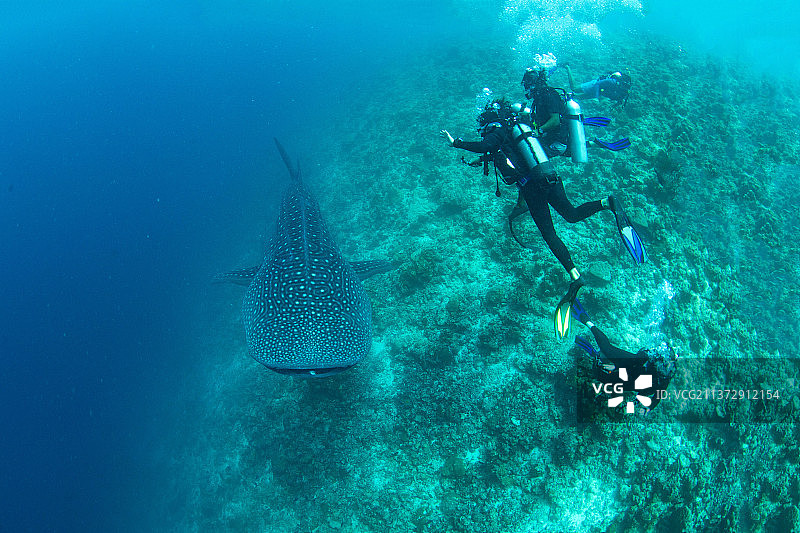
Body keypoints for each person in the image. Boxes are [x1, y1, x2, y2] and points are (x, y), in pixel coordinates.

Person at [440, 98, 645, 339]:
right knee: (571, 214)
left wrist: (457, 143)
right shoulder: (515, 132)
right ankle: (607, 203)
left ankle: (575, 275)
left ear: (489, 120)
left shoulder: (495, 131)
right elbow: (499, 153)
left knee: (549, 234)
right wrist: (480, 160)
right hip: (550, 176)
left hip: (533, 187)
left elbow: (486, 145)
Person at [572, 298, 677, 413]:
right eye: (666, 364)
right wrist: (616, 365)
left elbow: (657, 397)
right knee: (607, 350)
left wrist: (648, 408)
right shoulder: (646, 361)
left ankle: (596, 355)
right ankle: (588, 322)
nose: (667, 368)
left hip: (633, 380)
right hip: (635, 364)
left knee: (602, 378)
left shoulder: (665, 377)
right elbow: (631, 363)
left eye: (668, 369)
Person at [521, 68, 569, 158]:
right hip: (549, 138)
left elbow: (555, 120)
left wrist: (539, 130)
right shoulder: (540, 96)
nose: (527, 88)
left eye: (528, 84)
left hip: (556, 143)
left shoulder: (549, 95)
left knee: (524, 155)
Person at [566, 66, 631, 106]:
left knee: (577, 98)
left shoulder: (622, 94)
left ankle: (565, 97)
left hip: (598, 92)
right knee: (574, 88)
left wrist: (614, 107)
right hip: (594, 86)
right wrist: (596, 97)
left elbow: (619, 101)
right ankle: (567, 67)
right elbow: (598, 84)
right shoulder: (612, 82)